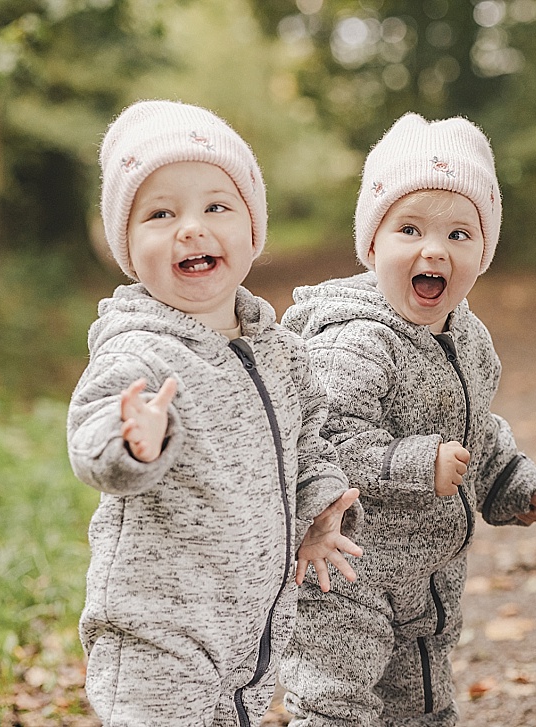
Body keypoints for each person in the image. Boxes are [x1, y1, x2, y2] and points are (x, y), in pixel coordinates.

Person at [66, 99, 362, 726]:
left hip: (249, 630)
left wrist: (319, 508)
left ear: (253, 231)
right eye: (161, 214)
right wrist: (134, 440)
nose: (191, 229)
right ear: (127, 247)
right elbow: (93, 437)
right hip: (157, 633)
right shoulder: (138, 349)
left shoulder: (279, 351)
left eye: (216, 207)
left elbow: (305, 444)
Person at [279, 113, 536, 726]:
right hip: (344, 568)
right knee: (336, 704)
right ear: (373, 245)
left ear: (482, 253)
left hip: (429, 575)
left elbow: (474, 427)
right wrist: (415, 462)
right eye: (409, 229)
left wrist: (507, 477)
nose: (434, 249)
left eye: (459, 234)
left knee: (422, 702)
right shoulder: (355, 339)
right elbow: (322, 439)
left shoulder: (470, 337)